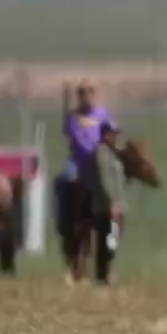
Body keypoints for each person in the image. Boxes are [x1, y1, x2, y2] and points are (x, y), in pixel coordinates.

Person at [57, 79, 113, 264]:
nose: (86, 94)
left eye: (90, 90)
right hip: (77, 162)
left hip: (97, 162)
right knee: (64, 179)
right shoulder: (72, 117)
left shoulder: (103, 115)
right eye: (82, 91)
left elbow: (113, 135)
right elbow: (68, 136)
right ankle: (64, 219)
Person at [92, 121, 129, 285]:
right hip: (106, 207)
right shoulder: (101, 153)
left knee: (113, 239)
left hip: (117, 205)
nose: (116, 137)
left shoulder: (113, 153)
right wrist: (112, 202)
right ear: (106, 134)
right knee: (107, 240)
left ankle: (106, 272)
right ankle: (103, 274)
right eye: (113, 133)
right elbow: (104, 179)